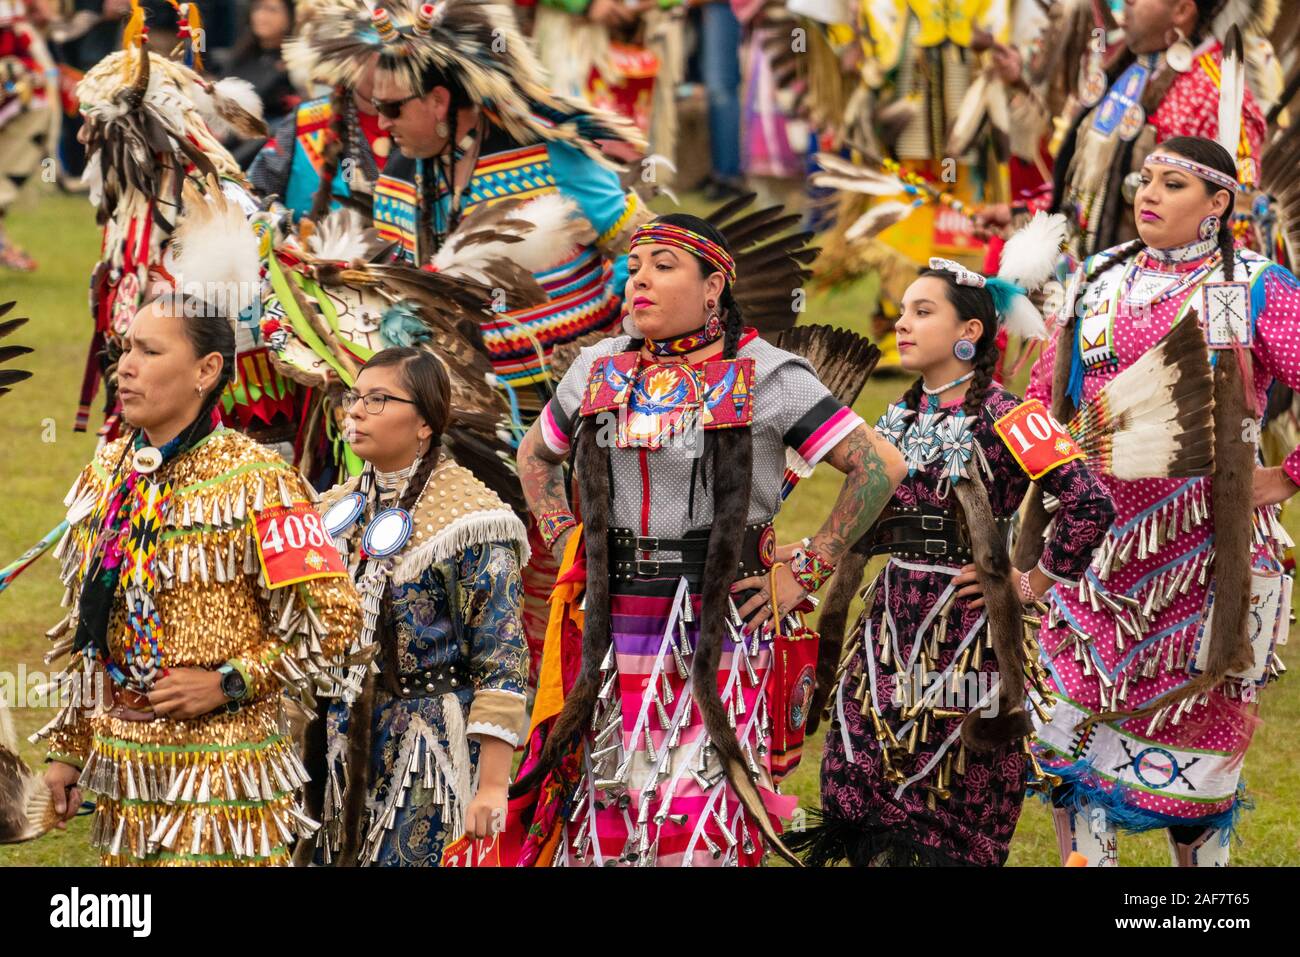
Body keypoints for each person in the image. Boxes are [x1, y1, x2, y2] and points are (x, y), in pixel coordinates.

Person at [508, 212, 907, 866]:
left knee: (701, 817)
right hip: (614, 625)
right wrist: (564, 539)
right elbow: (535, 456)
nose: (640, 281)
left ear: (714, 284)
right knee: (609, 810)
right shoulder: (598, 367)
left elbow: (879, 466)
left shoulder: (769, 373)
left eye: (664, 267)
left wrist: (805, 566)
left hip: (719, 623)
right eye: (634, 268)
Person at [286, 0, 652, 677]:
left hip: (569, 412)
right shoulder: (403, 174)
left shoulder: (550, 158)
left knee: (560, 577)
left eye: (394, 109)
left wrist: (624, 343)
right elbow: (405, 293)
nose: (383, 124)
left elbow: (644, 244)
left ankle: (556, 724)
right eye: (377, 109)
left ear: (442, 99)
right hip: (462, 422)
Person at [793, 214, 1116, 867]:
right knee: (858, 774)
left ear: (969, 332)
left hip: (968, 632)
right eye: (902, 311)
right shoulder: (895, 415)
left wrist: (1029, 581)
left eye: (922, 310)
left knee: (953, 783)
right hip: (889, 622)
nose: (902, 323)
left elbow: (1089, 500)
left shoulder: (1012, 415)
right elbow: (867, 511)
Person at [1023, 135, 1300, 866]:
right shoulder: (1098, 278)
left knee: (1197, 770)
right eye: (1145, 178)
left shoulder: (1253, 286)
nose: (1147, 193)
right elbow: (1040, 399)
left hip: (1209, 559)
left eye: (1172, 183)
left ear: (1218, 204)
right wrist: (1045, 473)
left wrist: (1289, 474)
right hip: (1097, 556)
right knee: (1068, 754)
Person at [36, 292, 361, 865]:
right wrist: (69, 747)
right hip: (128, 773)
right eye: (125, 349)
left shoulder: (259, 481)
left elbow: (336, 618)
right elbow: (90, 629)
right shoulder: (107, 472)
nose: (125, 367)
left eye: (150, 351)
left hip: (225, 774)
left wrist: (229, 681)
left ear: (207, 371)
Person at [298, 347, 529, 866]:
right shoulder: (329, 510)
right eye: (354, 398)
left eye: (378, 400)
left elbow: (503, 655)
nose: (356, 411)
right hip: (335, 735)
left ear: (424, 421)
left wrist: (492, 786)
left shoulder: (470, 520)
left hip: (429, 746)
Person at [222, 0, 300, 167]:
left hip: (267, 137)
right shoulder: (242, 54)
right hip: (229, 130)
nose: (262, 16)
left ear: (290, 17)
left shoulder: (295, 62)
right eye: (257, 9)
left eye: (272, 10)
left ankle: (227, 169)